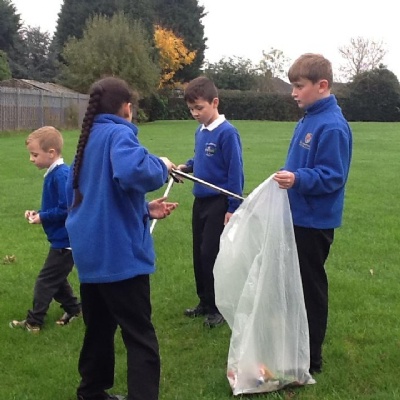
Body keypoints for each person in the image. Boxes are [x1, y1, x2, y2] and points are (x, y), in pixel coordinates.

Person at [65, 76, 177, 400]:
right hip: (120, 257)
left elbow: (98, 195)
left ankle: (91, 391)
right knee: (139, 335)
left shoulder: (87, 139)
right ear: (127, 108)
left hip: (91, 255)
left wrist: (143, 209)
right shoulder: (119, 133)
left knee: (99, 329)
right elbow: (133, 172)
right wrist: (162, 165)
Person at [273, 53, 352, 375]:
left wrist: (297, 179)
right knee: (293, 285)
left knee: (310, 288)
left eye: (299, 86)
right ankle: (294, 345)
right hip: (296, 214)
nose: (293, 93)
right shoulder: (309, 118)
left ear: (322, 85)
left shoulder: (332, 126)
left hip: (314, 221)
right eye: (292, 86)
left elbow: (333, 176)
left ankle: (311, 359)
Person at [178, 76, 244, 328]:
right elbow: (200, 160)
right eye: (191, 109)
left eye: (199, 108)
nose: (195, 113)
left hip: (219, 202)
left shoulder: (227, 133)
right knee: (199, 252)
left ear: (215, 102)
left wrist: (233, 206)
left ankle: (218, 307)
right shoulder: (201, 131)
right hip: (200, 201)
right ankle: (204, 301)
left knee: (211, 254)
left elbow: (235, 172)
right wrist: (186, 167)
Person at [10, 126, 81, 333]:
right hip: (61, 240)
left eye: (35, 155)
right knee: (56, 280)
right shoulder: (54, 174)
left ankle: (34, 322)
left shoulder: (61, 175)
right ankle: (74, 309)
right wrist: (38, 213)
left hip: (66, 242)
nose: (31, 159)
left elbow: (66, 208)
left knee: (45, 282)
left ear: (51, 153)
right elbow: (56, 207)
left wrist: (43, 217)